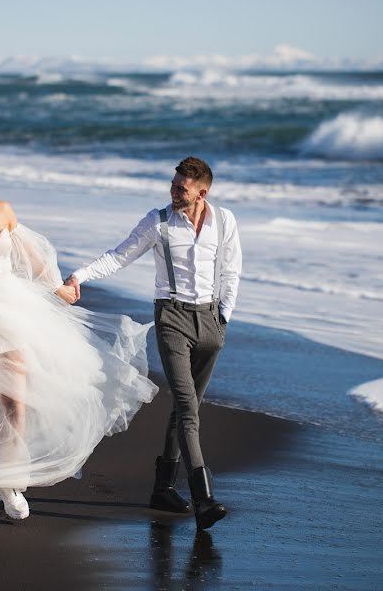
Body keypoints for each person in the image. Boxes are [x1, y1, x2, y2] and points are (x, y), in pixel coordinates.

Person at [0, 152, 158, 530]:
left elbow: (31, 258)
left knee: (16, 403)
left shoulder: (2, 210)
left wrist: (59, 290)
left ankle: (8, 481)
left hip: (11, 311)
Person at [66, 156, 241, 530]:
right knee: (186, 406)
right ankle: (203, 497)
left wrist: (222, 317)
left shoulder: (224, 221)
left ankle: (162, 488)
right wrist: (80, 275)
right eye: (174, 185)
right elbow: (119, 256)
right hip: (172, 318)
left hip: (210, 321)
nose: (174, 191)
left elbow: (232, 269)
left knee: (188, 407)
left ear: (202, 192)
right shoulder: (157, 222)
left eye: (182, 188)